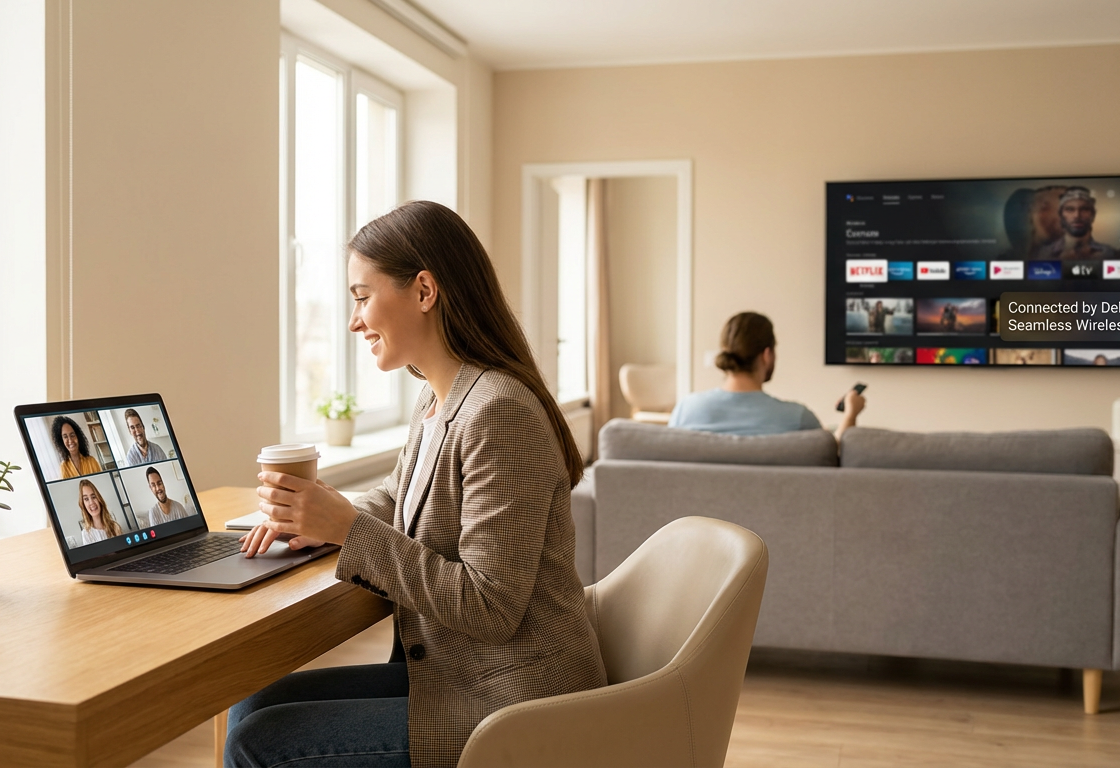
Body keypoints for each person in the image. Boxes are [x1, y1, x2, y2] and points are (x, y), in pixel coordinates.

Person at [228, 201, 605, 768]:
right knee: (252, 703)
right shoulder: (438, 394)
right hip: (458, 673)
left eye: (361, 297)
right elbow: (398, 497)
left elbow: (489, 607)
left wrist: (349, 530)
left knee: (256, 741)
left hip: (511, 697)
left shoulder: (497, 410)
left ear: (424, 290)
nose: (354, 321)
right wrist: (321, 521)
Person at [669, 311, 864, 444]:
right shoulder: (797, 419)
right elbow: (833, 457)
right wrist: (850, 414)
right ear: (767, 355)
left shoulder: (686, 410)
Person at [1035, 186, 1120, 260]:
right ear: (1061, 215)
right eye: (1070, 209)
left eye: (1084, 209)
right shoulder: (1043, 254)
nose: (1077, 215)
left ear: (1093, 215)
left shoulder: (1110, 254)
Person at [76, 478, 122, 545]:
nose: (91, 502)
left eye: (94, 497)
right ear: (83, 504)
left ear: (99, 499)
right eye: (86, 499)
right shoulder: (86, 534)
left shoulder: (115, 526)